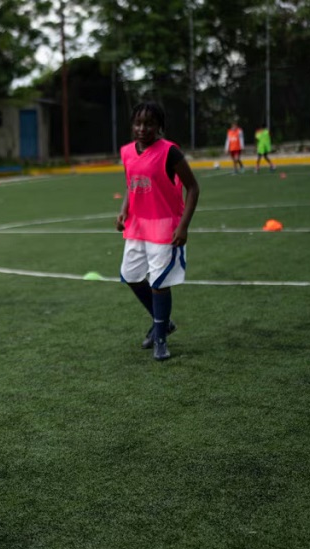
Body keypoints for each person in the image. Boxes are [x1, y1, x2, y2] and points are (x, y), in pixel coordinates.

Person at [116, 102, 201, 361]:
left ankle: (161, 339)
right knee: (131, 275)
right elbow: (131, 184)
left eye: (149, 124)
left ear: (159, 126)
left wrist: (183, 226)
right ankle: (163, 322)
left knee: (159, 283)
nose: (142, 128)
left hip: (165, 226)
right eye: (138, 123)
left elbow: (193, 188)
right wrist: (123, 210)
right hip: (137, 225)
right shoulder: (127, 152)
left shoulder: (170, 152)